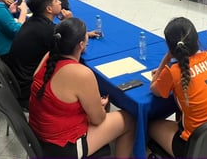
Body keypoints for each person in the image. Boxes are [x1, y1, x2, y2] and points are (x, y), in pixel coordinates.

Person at [29, 18, 135, 158]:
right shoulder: (81, 74)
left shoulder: (49, 56)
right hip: (62, 147)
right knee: (130, 119)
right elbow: (98, 119)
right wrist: (98, 106)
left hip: (38, 134)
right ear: (81, 45)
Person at [148, 17, 207, 157]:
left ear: (171, 48)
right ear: (196, 39)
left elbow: (154, 88)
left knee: (150, 126)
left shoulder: (174, 71)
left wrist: (166, 59)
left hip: (197, 147)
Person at [9, 0, 73, 104]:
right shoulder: (47, 31)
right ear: (49, 9)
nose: (60, 2)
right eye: (56, 0)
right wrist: (69, 23)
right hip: (31, 87)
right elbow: (72, 49)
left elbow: (54, 31)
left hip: (19, 79)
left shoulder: (33, 21)